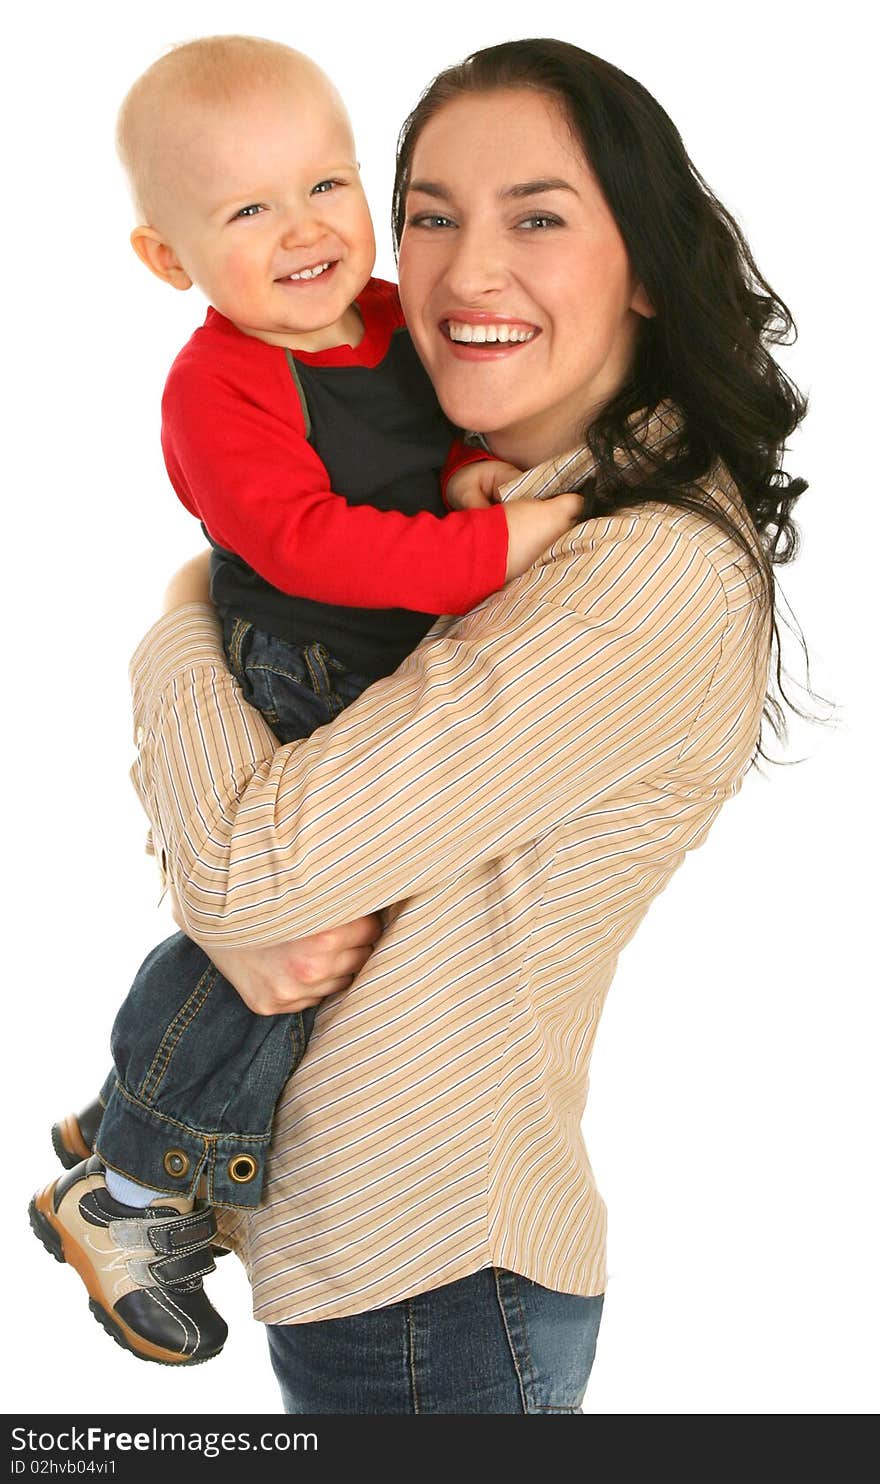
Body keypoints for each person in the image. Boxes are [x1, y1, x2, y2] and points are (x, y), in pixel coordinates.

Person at [73, 37, 812, 1413]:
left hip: (437, 1283)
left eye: (538, 216)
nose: (465, 274)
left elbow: (252, 874)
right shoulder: (492, 503)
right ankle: (143, 1136)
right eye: (428, 216)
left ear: (644, 264)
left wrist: (184, 611)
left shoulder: (641, 570)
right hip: (381, 1268)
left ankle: (136, 1142)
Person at [27, 35, 583, 1369]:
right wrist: (498, 546)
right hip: (301, 672)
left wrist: (465, 473)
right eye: (247, 210)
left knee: (342, 956)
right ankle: (137, 1191)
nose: (304, 232)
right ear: (170, 261)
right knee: (290, 943)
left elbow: (441, 422)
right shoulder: (217, 387)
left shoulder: (388, 314)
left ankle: (129, 1116)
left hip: (390, 667)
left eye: (325, 185)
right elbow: (314, 543)